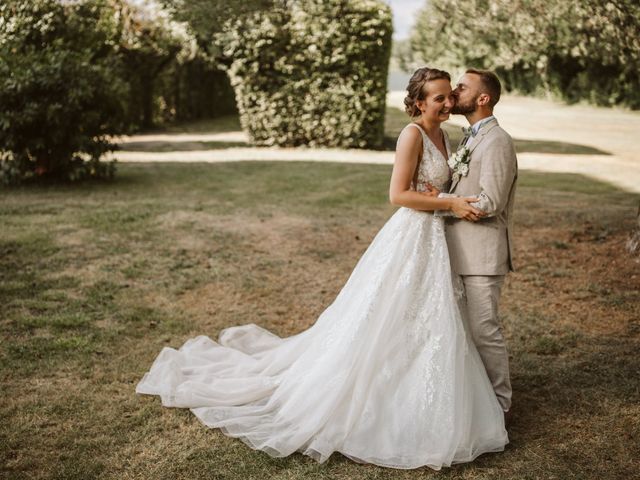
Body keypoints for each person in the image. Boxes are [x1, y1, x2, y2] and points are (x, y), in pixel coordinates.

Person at [136, 67, 509, 470]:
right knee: (386, 314)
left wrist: (444, 196)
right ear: (420, 103)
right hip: (412, 236)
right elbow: (398, 194)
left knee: (428, 318)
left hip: (436, 241)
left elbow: (440, 187)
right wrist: (448, 204)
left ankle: (419, 388)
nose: (448, 101)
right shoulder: (411, 135)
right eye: (439, 97)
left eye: (449, 95)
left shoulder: (447, 135)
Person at [437, 69, 518, 418]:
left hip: (483, 254)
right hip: (459, 251)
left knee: (484, 330)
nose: (455, 91)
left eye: (463, 87)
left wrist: (444, 203)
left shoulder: (498, 140)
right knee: (463, 331)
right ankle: (475, 399)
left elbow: (491, 201)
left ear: (483, 98)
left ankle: (500, 407)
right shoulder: (470, 137)